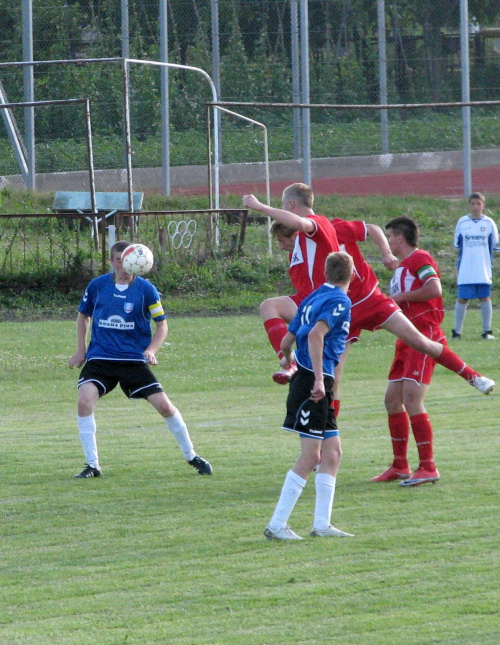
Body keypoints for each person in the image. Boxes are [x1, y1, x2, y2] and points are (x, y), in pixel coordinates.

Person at [275, 218, 495, 426]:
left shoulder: (327, 228)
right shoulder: (298, 259)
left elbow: (371, 228)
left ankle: (473, 377)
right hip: (344, 311)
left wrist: (386, 253)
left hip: (371, 299)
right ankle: (326, 436)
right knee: (333, 380)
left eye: (283, 241)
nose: (283, 247)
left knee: (420, 341)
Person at [68, 240, 212, 479]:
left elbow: (162, 325)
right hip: (101, 358)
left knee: (165, 406)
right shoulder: (97, 286)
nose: (124, 265)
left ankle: (192, 456)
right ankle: (92, 466)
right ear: (113, 261)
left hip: (133, 360)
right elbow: (83, 315)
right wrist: (80, 349)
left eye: (127, 260)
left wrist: (152, 349)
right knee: (85, 401)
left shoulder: (146, 290)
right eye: (118, 260)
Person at [374, 216, 475, 487]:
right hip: (405, 339)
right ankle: (400, 465)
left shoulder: (420, 258)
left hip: (423, 336)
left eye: (390, 237)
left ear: (399, 238)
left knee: (412, 400)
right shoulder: (401, 267)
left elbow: (434, 288)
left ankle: (428, 467)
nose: (387, 243)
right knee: (392, 401)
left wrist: (400, 298)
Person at [264, 251, 355, 540]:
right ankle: (277, 525)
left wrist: (285, 354)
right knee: (311, 455)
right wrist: (317, 379)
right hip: (313, 383)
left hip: (314, 381)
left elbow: (289, 336)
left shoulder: (314, 296)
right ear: (352, 274)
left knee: (333, 453)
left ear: (326, 273)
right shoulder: (340, 301)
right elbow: (316, 335)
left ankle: (322, 524)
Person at [242, 183, 339, 385]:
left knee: (271, 306)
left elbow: (302, 225)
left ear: (291, 204)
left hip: (323, 303)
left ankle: (291, 364)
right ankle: (291, 364)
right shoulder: (301, 242)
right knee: (318, 382)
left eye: (283, 206)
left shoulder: (316, 222)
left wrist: (261, 207)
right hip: (311, 301)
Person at [451, 192, 499, 340]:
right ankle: (457, 332)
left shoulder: (489, 223)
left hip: (483, 268)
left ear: (483, 205)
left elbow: (495, 246)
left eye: (479, 203)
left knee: (485, 297)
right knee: (462, 298)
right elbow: (457, 245)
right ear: (469, 205)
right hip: (466, 268)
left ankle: (487, 331)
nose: (476, 206)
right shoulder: (463, 223)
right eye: (473, 203)